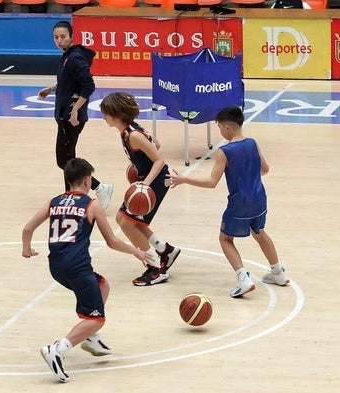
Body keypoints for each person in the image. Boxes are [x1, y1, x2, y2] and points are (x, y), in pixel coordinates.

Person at [22, 157, 155, 383]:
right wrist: (137, 252)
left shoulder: (54, 201)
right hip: (77, 267)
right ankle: (58, 349)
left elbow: (27, 228)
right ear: (87, 180)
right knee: (97, 318)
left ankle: (91, 339)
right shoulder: (92, 205)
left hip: (56, 266)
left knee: (102, 285)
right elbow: (112, 241)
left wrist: (27, 249)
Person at [167, 106, 290, 298]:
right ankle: (278, 273)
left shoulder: (225, 151)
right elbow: (265, 169)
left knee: (225, 239)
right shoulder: (253, 143)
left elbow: (211, 182)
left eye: (218, 127)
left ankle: (243, 279)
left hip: (239, 203)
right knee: (259, 232)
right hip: (259, 199)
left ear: (226, 127)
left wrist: (184, 179)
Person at [99, 92, 181, 287]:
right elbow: (157, 144)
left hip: (157, 180)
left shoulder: (133, 135)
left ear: (116, 114)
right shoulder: (129, 130)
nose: (103, 117)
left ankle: (155, 268)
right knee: (124, 220)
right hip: (148, 179)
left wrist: (145, 184)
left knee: (128, 224)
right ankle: (165, 251)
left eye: (106, 113)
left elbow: (160, 160)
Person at [38, 20, 113, 210]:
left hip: (71, 118)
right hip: (65, 115)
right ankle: (72, 194)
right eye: (56, 37)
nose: (59, 41)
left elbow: (89, 86)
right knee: (67, 159)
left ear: (72, 36)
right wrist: (52, 88)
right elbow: (70, 82)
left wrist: (75, 109)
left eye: (63, 37)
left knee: (65, 160)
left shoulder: (75, 58)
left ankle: (98, 187)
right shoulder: (67, 57)